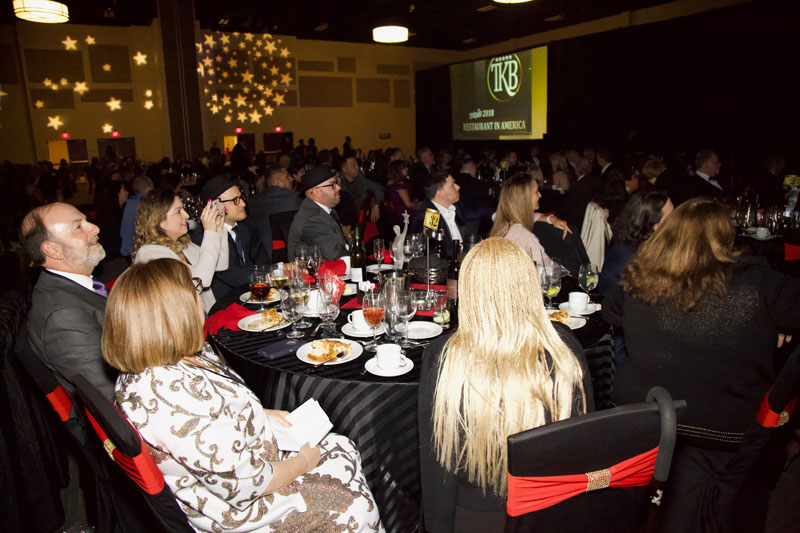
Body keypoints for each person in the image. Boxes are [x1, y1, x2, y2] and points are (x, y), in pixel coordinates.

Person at [103, 258, 383, 532]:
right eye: (194, 289)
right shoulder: (172, 396)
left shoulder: (170, 359)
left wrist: (263, 414)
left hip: (245, 461)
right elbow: (248, 484)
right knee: (355, 504)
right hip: (244, 510)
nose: (200, 297)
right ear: (175, 312)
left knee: (340, 444)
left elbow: (216, 414)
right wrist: (302, 463)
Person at [601, 197, 800, 530]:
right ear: (725, 239)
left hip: (645, 424)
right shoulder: (759, 284)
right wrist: (777, 321)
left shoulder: (639, 277)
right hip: (724, 437)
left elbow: (611, 314)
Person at [419, 238, 592, 533]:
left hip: (477, 520)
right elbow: (583, 447)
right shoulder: (564, 346)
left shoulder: (443, 356)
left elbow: (438, 468)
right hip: (550, 511)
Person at [20, 203, 115, 399]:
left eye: (86, 221)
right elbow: (112, 396)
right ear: (53, 250)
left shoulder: (78, 285)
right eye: (78, 226)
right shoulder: (63, 316)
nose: (95, 228)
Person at [133, 188, 227, 312]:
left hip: (203, 316)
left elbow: (221, 264)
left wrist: (218, 228)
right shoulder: (150, 255)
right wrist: (210, 232)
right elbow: (200, 281)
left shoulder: (181, 243)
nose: (186, 215)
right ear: (160, 221)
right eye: (178, 211)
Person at [196, 176, 270, 300]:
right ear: (216, 206)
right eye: (235, 200)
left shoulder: (245, 225)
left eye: (241, 198)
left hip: (254, 291)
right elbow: (231, 274)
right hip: (226, 301)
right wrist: (269, 275)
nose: (243, 204)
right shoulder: (205, 237)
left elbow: (261, 256)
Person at [597, 189, 673, 298]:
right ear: (654, 224)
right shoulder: (627, 256)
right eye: (671, 215)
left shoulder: (651, 247)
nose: (676, 219)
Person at [287, 166, 349, 261]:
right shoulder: (312, 218)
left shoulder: (326, 209)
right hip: (319, 270)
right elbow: (335, 255)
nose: (338, 187)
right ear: (316, 191)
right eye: (332, 184)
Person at [489, 174, 550, 263]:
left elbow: (528, 215)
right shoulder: (525, 237)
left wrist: (549, 219)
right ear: (525, 198)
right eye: (536, 192)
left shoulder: (501, 223)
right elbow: (547, 267)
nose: (540, 195)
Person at [410, 171, 464, 257]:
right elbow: (432, 252)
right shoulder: (430, 216)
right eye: (452, 185)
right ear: (439, 193)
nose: (458, 187)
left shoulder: (455, 207)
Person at [120, 175, 153, 259]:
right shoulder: (145, 204)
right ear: (149, 189)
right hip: (136, 251)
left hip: (125, 249)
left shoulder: (129, 203)